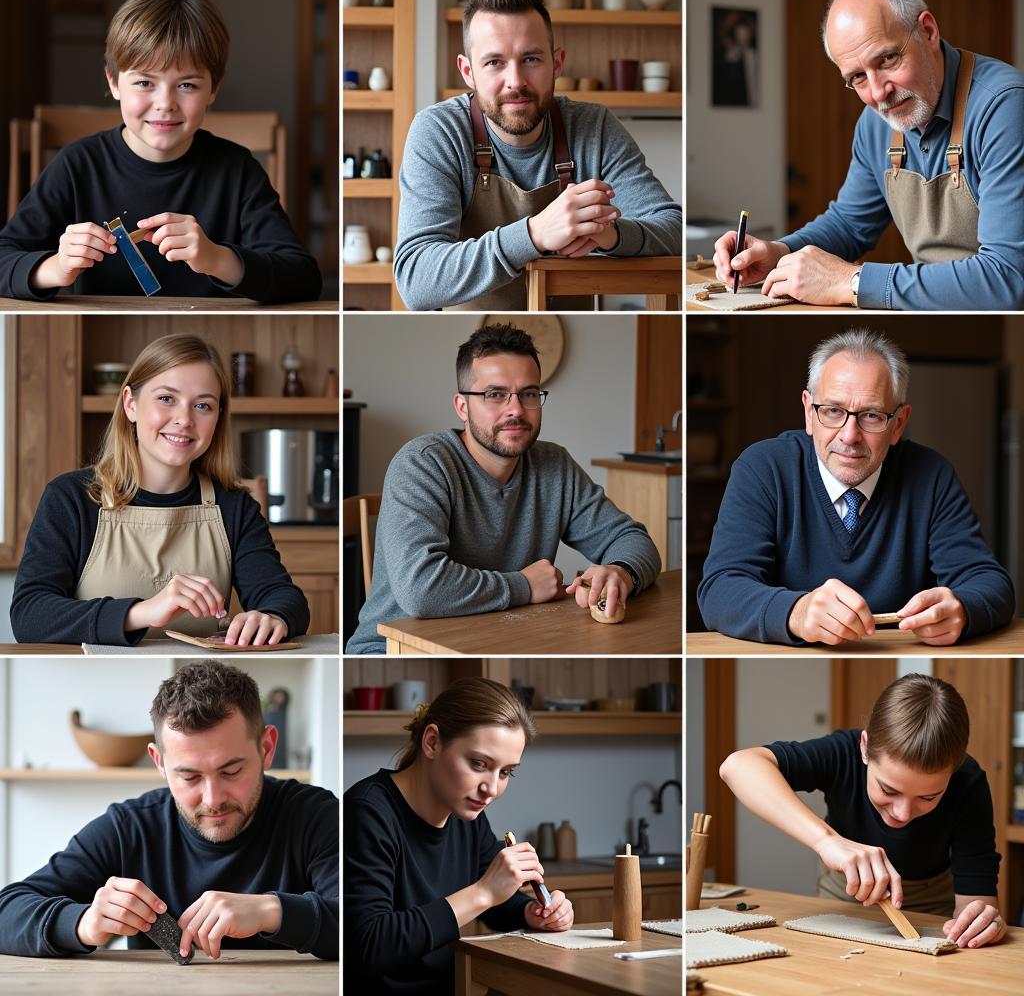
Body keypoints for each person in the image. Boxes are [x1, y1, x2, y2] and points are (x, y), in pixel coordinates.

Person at [712, 0, 1024, 310]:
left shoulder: (1005, 107)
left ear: (928, 32)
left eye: (887, 59)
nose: (878, 94)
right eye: (858, 77)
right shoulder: (876, 123)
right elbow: (850, 224)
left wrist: (852, 282)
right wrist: (780, 253)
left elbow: (1008, 277)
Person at [346, 321, 661, 652]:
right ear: (462, 406)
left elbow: (632, 540)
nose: (515, 409)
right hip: (394, 651)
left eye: (528, 394)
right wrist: (525, 585)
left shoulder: (554, 464)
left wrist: (620, 573)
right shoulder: (422, 463)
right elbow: (420, 589)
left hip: (500, 644)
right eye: (495, 394)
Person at [0, 0, 321, 302]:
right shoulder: (77, 165)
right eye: (144, 82)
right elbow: (4, 258)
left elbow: (303, 278)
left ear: (213, 89)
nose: (165, 103)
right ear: (113, 82)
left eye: (187, 85)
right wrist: (55, 267)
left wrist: (218, 259)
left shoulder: (238, 170)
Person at [0, 660, 338, 960]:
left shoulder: (315, 815)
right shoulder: (129, 828)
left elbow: (369, 924)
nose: (212, 798)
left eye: (232, 771)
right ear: (159, 763)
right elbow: (7, 910)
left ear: (266, 748)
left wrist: (273, 911)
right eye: (189, 776)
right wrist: (81, 923)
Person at [697, 328, 1014, 645]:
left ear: (898, 424)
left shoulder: (932, 476)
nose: (849, 435)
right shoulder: (763, 469)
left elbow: (991, 583)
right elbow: (719, 590)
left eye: (872, 416)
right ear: (809, 412)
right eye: (833, 411)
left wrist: (963, 609)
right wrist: (795, 612)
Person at [394, 0, 681, 310]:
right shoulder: (439, 132)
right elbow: (415, 279)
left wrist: (613, 236)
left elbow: (672, 227)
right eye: (494, 62)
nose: (516, 81)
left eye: (530, 59)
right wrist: (533, 235)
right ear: (468, 71)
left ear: (556, 63)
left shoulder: (595, 127)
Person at [11, 333, 309, 646]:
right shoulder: (70, 498)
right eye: (166, 399)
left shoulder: (236, 508)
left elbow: (285, 599)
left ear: (218, 418)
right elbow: (30, 615)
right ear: (130, 404)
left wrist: (273, 616)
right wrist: (143, 612)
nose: (184, 419)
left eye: (203, 405)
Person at [719, 673, 1005, 948]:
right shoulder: (843, 753)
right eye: (889, 791)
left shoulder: (968, 781)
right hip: (841, 897)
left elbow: (975, 904)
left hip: (933, 908)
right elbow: (738, 766)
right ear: (866, 748)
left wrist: (980, 923)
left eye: (928, 797)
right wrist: (826, 841)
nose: (903, 814)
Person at [344, 677, 574, 994]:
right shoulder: (366, 811)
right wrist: (483, 892)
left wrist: (532, 913)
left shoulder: (466, 813)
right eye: (479, 763)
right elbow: (368, 945)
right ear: (432, 742)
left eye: (506, 772)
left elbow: (496, 903)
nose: (491, 789)